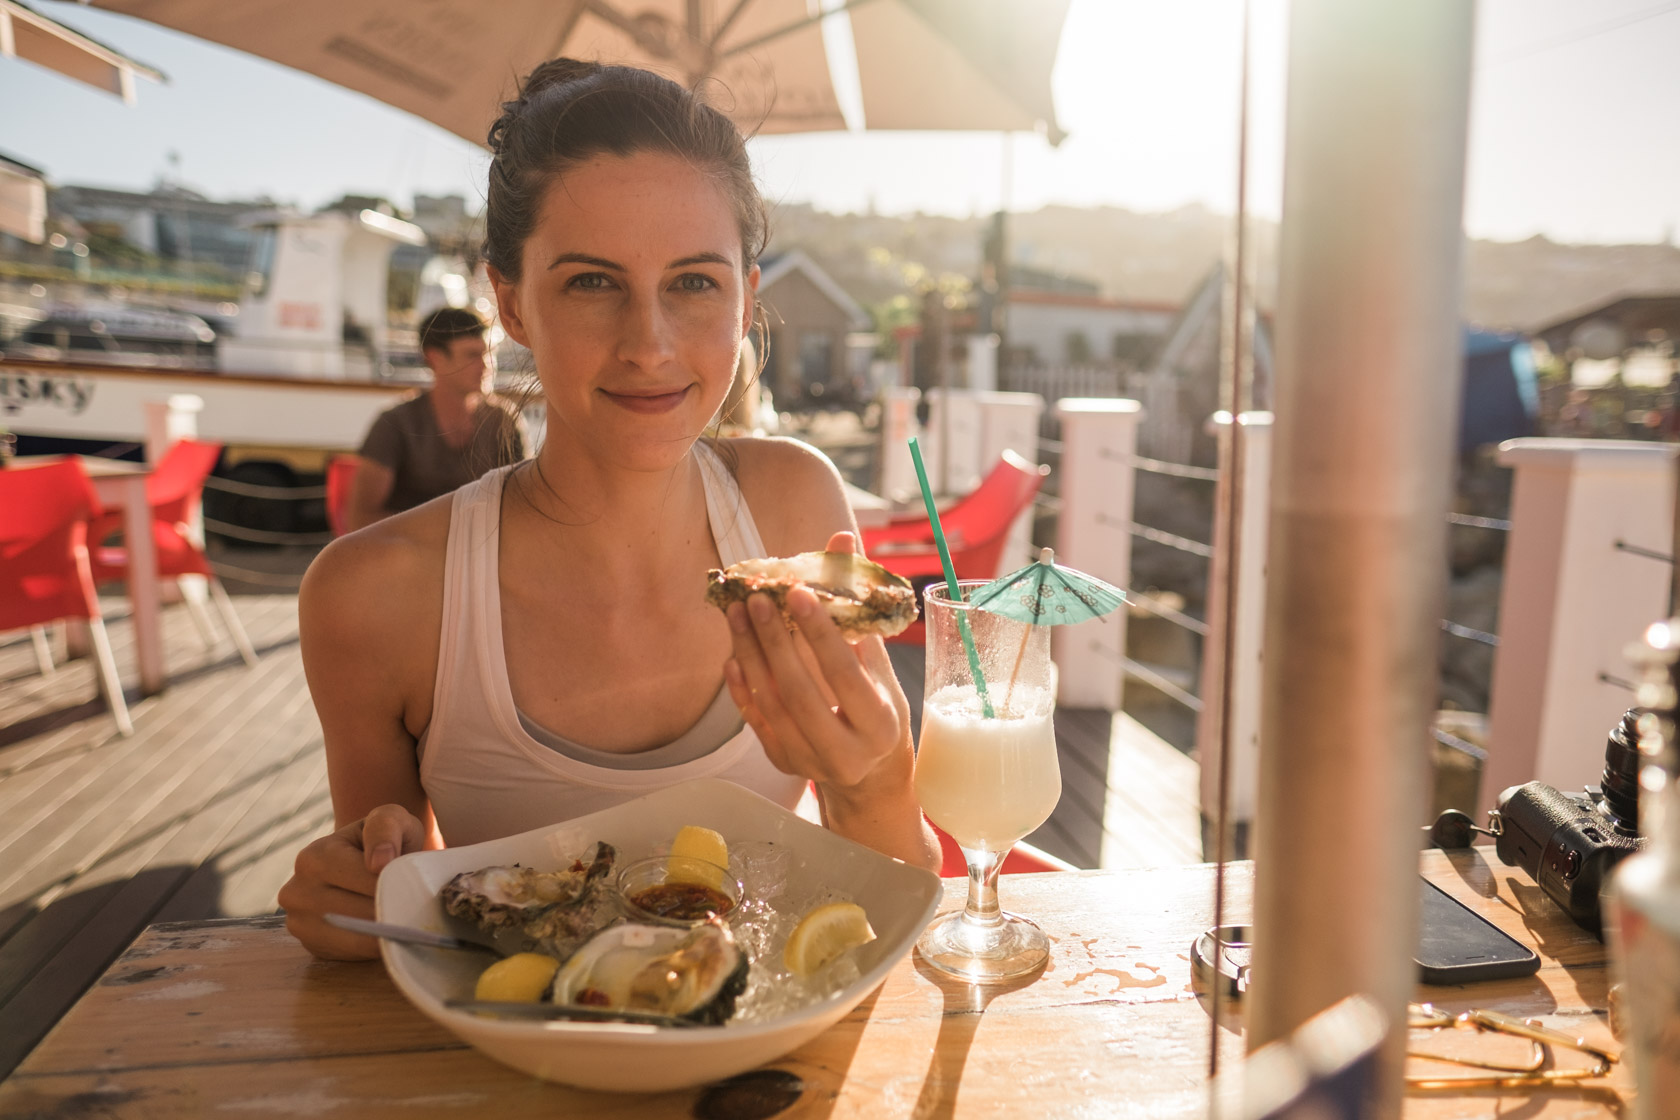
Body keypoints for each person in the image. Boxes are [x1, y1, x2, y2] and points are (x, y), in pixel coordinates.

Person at [280, 60, 941, 960]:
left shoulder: (795, 503)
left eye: (694, 282)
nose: (649, 343)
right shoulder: (372, 595)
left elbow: (895, 898)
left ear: (746, 298)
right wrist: (350, 897)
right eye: (592, 282)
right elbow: (403, 908)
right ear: (509, 300)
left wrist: (873, 789)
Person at [344, 307, 527, 531]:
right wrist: (450, 533)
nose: (486, 365)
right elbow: (360, 518)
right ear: (435, 359)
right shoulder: (396, 424)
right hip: (409, 558)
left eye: (489, 353)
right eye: (472, 355)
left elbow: (524, 505)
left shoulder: (503, 421)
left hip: (483, 556)